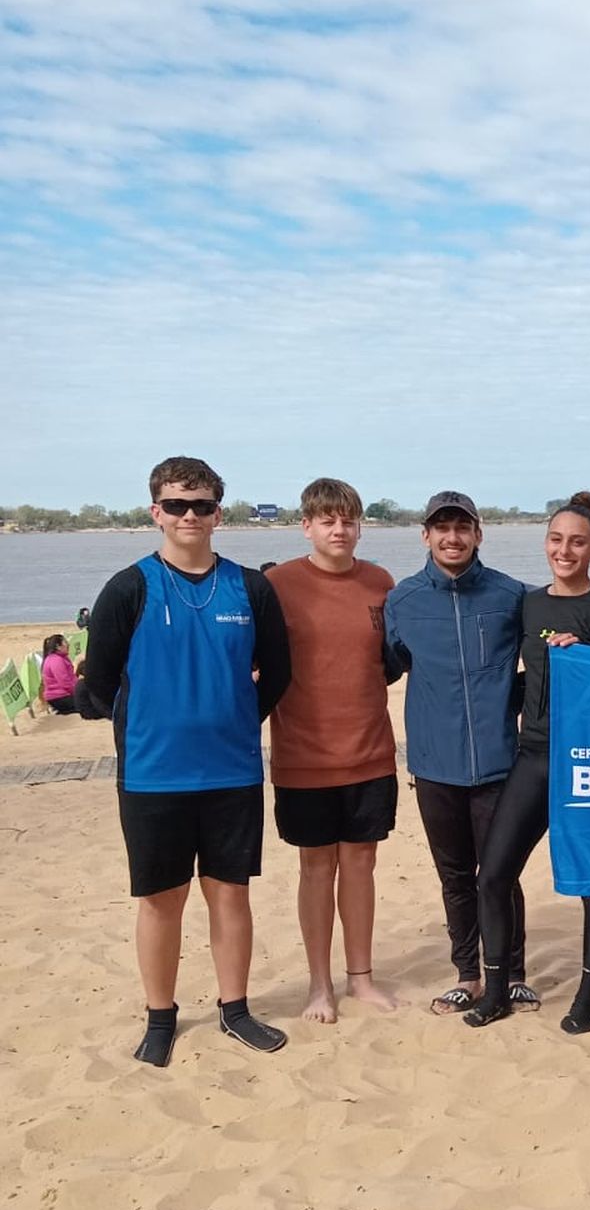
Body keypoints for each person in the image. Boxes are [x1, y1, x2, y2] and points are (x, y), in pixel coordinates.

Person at [76, 455, 291, 1066]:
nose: (189, 515)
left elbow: (278, 672)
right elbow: (100, 681)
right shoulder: (129, 587)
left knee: (229, 894)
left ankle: (235, 1008)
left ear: (218, 514)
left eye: (201, 505)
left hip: (232, 771)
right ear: (156, 512)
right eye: (176, 505)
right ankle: (161, 1016)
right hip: (152, 773)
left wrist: (234, 719)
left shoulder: (249, 587)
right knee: (161, 897)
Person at [464, 492, 590, 1033]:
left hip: (588, 763)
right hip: (535, 754)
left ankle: (587, 994)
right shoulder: (529, 604)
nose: (566, 550)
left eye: (578, 542)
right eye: (557, 539)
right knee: (492, 875)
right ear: (546, 544)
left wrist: (583, 659)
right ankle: (495, 991)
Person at [382, 491, 532, 1016]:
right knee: (456, 877)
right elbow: (388, 664)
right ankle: (468, 973)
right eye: (441, 528)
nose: (452, 537)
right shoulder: (402, 602)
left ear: (477, 534)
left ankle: (513, 972)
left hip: (497, 761)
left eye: (462, 527)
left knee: (500, 872)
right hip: (434, 763)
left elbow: (565, 609)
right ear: (425, 536)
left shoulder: (511, 595)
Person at [267, 478, 400, 1022]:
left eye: (348, 520)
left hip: (370, 750)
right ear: (307, 526)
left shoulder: (381, 582)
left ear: (359, 525)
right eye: (327, 520)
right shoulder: (277, 585)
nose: (339, 530)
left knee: (362, 864)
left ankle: (360, 978)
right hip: (303, 754)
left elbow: (393, 660)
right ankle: (319, 984)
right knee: (316, 868)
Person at [41, 635, 79, 714]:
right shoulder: (56, 660)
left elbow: (72, 678)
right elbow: (65, 683)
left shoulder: (62, 658)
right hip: (59, 697)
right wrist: (78, 692)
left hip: (64, 695)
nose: (68, 644)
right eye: (65, 642)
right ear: (58, 647)